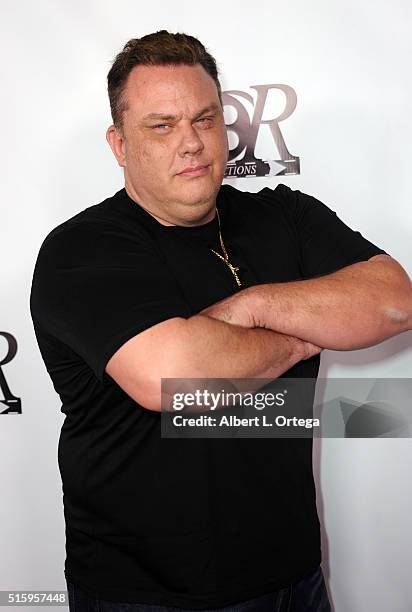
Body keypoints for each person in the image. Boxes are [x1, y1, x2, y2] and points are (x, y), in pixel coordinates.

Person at [29, 30, 411, 612]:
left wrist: (253, 306)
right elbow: (173, 378)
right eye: (162, 126)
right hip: (145, 592)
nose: (192, 143)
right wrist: (314, 326)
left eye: (206, 119)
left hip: (293, 577)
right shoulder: (82, 249)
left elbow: (393, 301)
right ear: (119, 143)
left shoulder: (285, 213)